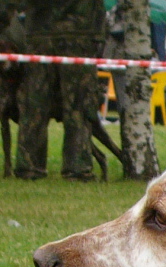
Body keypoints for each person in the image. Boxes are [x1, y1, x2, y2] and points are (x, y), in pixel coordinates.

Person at [15, 0, 105, 181]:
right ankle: (77, 168)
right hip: (80, 34)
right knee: (78, 105)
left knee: (35, 104)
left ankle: (29, 166)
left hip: (41, 34)